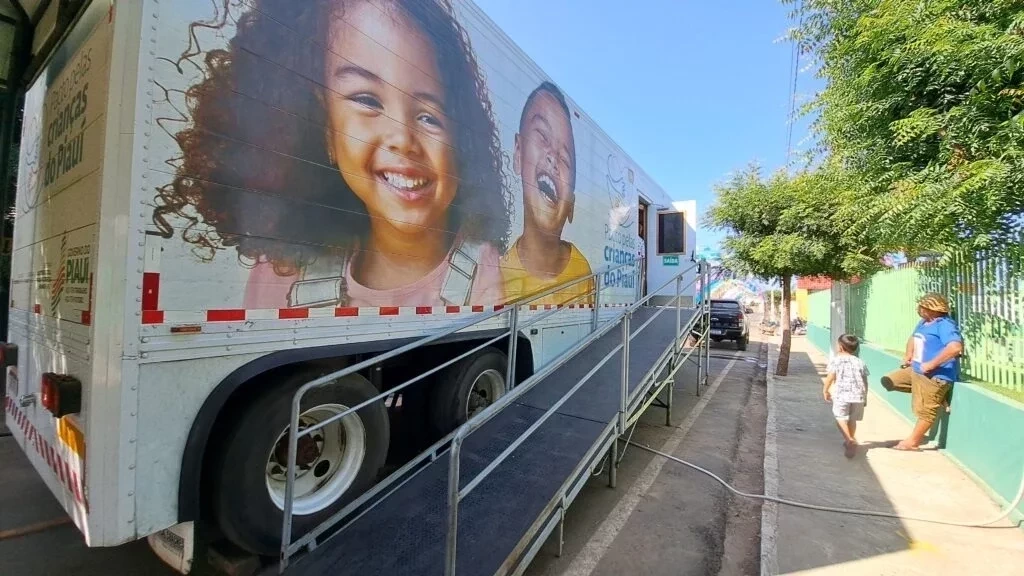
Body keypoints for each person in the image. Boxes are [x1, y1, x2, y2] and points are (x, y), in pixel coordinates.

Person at [154, 0, 512, 308]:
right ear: (323, 128)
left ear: (463, 146)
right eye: (367, 100)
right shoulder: (285, 274)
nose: (403, 139)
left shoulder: (490, 270)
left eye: (429, 116)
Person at [500, 82, 593, 306]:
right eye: (542, 137)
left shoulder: (583, 272)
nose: (553, 158)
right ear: (518, 154)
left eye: (565, 159)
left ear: (571, 203)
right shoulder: (497, 274)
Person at [880, 293, 963, 450]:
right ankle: (934, 397)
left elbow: (955, 347)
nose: (919, 309)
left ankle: (912, 442)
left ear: (930, 310)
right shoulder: (924, 323)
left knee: (925, 411)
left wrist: (931, 364)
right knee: (889, 381)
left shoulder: (945, 325)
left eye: (922, 307)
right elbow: (913, 338)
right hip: (916, 370)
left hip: (934, 375)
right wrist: (908, 355)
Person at [823, 334, 869, 458]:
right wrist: (865, 397)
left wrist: (825, 390)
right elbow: (865, 381)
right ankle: (851, 438)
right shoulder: (860, 362)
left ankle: (849, 440)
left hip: (842, 395)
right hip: (858, 396)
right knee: (852, 420)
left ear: (840, 347)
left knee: (840, 417)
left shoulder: (836, 360)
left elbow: (830, 377)